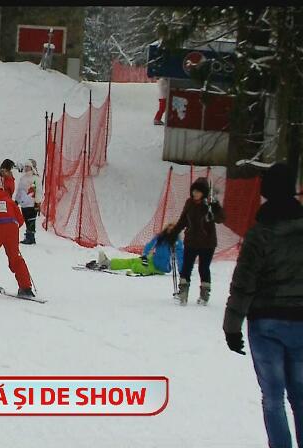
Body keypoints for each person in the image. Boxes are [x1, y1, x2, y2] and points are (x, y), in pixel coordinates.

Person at [222, 163, 303, 448]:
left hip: (266, 324)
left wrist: (231, 327)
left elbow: (243, 283)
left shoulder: (261, 233)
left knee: (273, 397)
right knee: (301, 395)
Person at [169, 176, 225, 305]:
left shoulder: (209, 204)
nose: (195, 193)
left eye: (198, 191)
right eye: (194, 191)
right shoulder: (189, 203)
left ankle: (204, 294)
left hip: (207, 243)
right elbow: (183, 220)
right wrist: (173, 233)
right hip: (191, 241)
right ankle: (183, 292)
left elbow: (221, 219)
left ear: (204, 193)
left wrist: (215, 206)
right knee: (186, 266)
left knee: (203, 268)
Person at [88, 223, 185, 275]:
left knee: (136, 266)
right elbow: (149, 245)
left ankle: (139, 269)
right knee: (132, 261)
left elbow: (180, 256)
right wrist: (145, 255)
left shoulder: (176, 242)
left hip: (161, 267)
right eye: (168, 229)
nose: (170, 232)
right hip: (153, 258)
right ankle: (108, 263)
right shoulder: (160, 237)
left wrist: (182, 271)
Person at [15, 159, 42, 245]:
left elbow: (38, 191)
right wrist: (17, 200)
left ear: (32, 168)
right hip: (24, 203)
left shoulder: (36, 178)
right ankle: (28, 235)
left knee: (31, 220)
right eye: (25, 166)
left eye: (28, 167)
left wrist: (37, 202)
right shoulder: (23, 178)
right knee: (26, 219)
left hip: (32, 203)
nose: (26, 168)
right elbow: (19, 190)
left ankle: (31, 237)